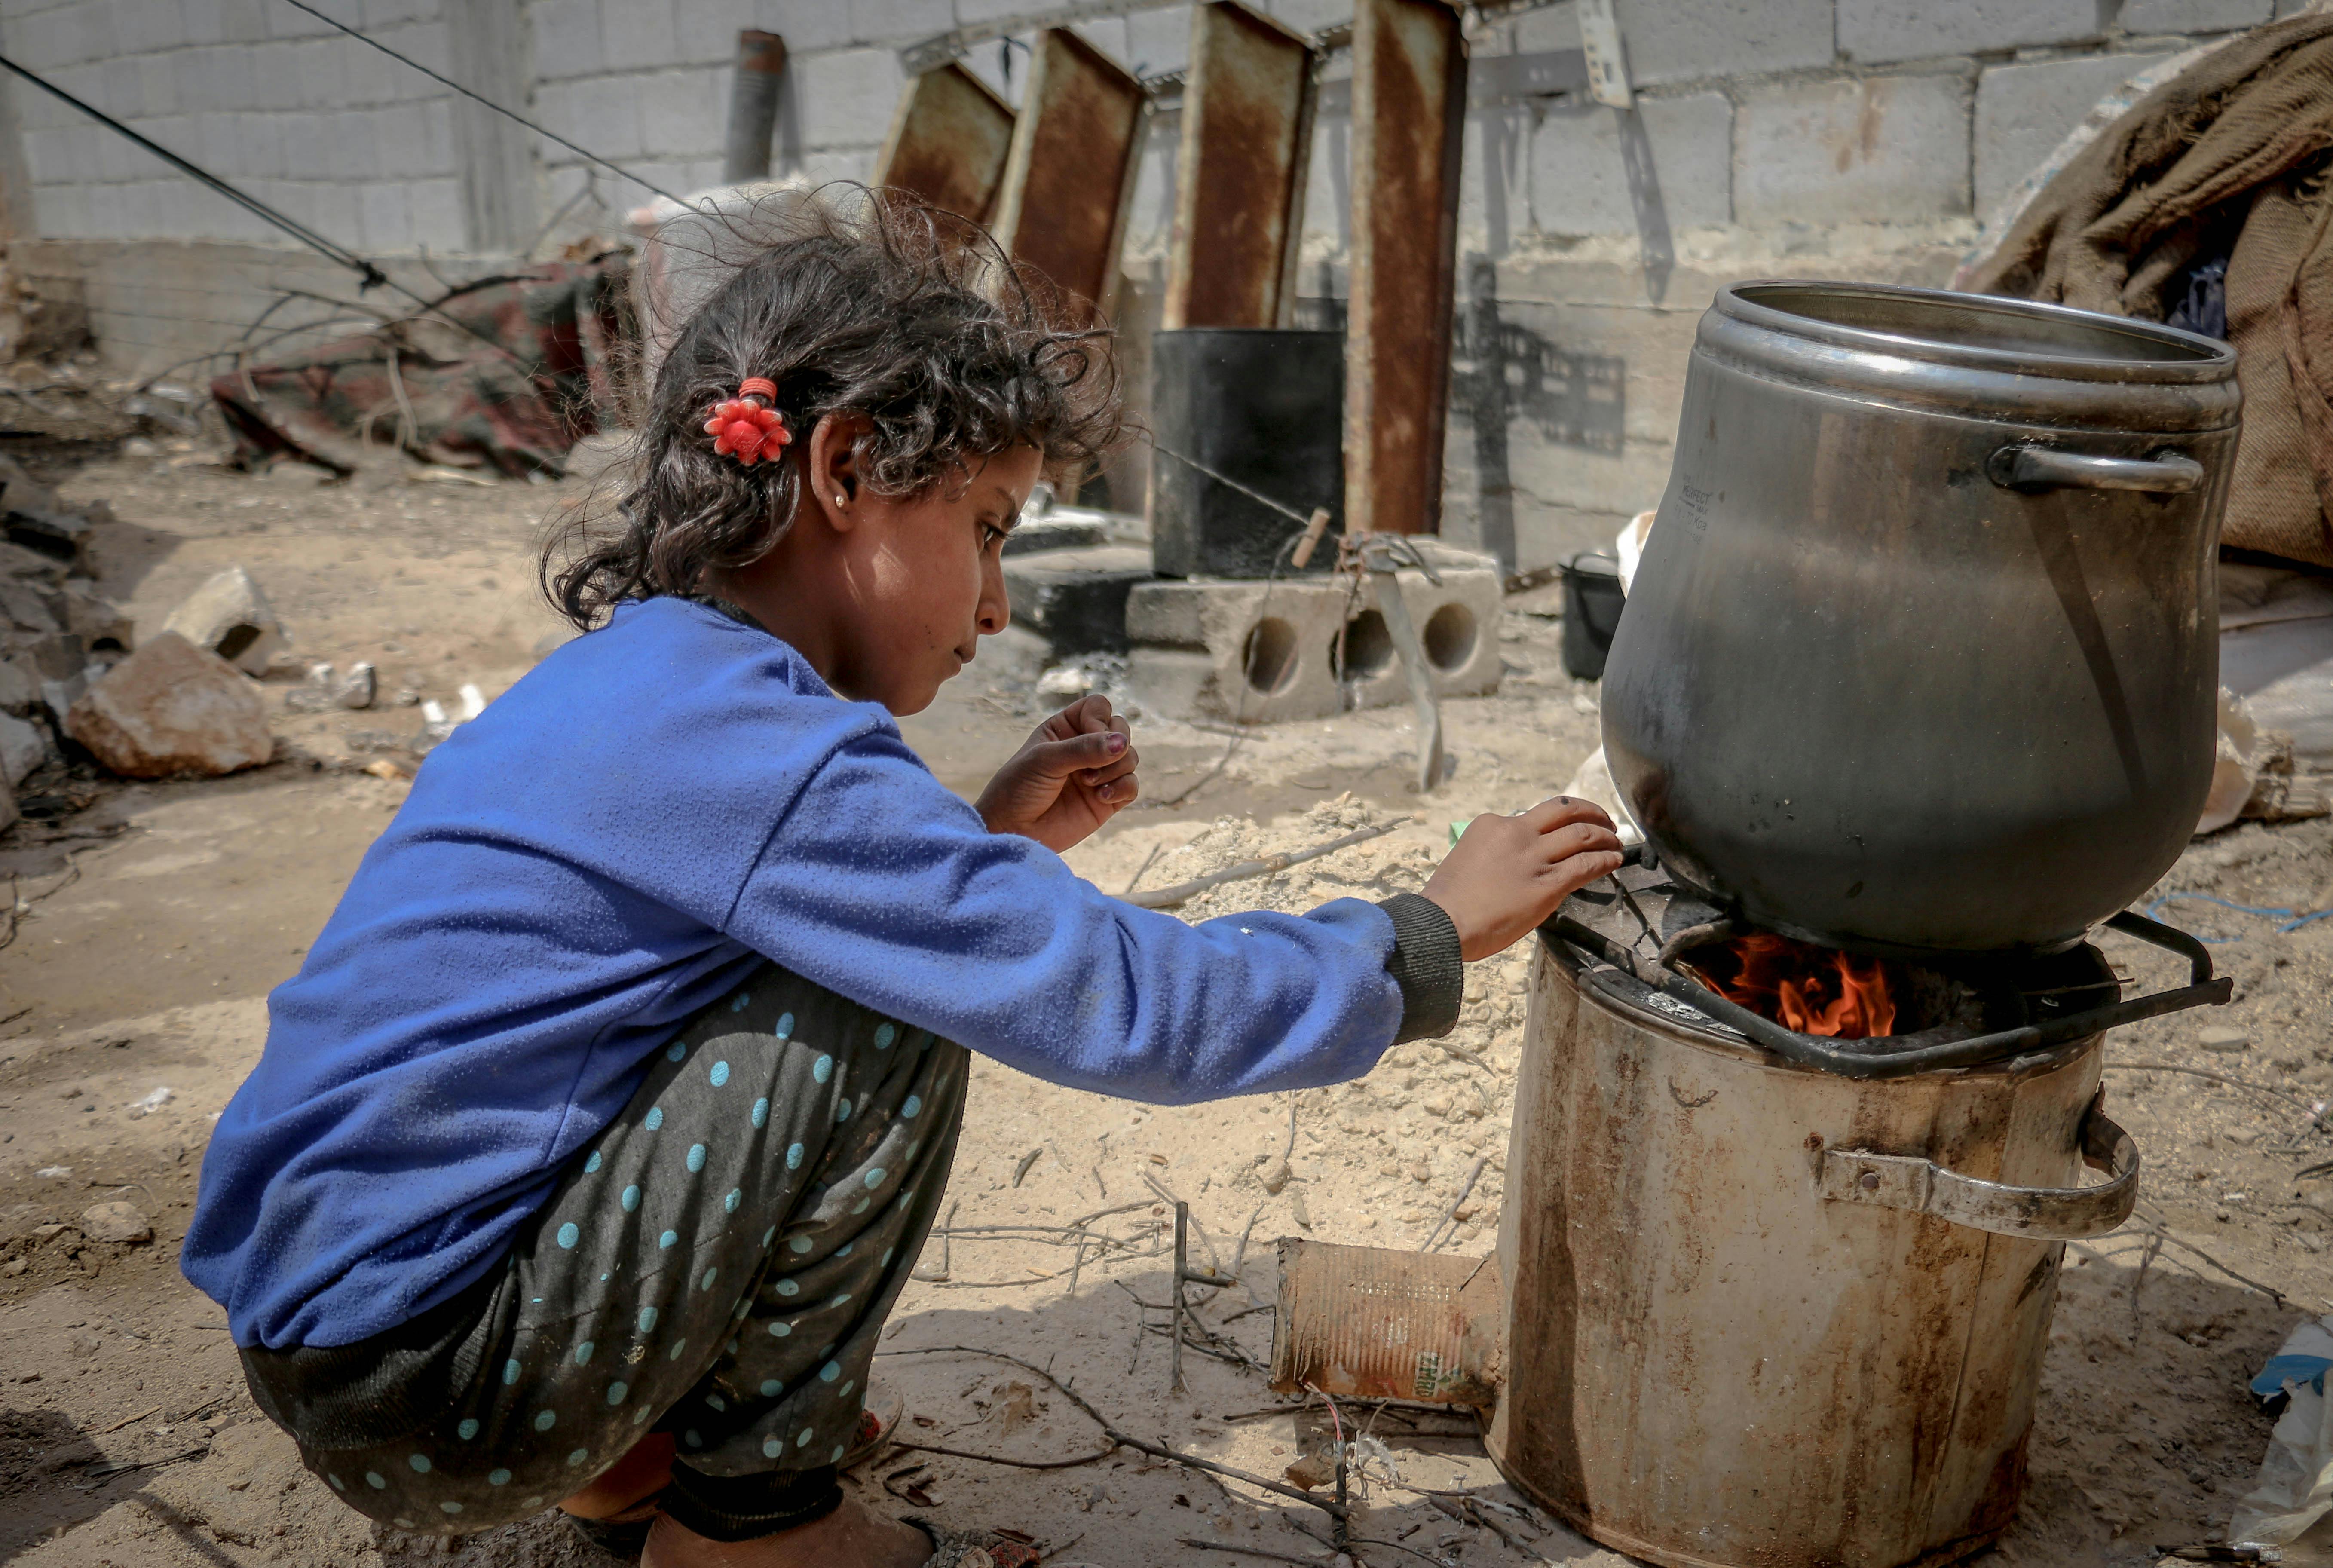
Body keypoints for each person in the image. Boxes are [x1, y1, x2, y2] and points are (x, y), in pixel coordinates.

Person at [180, 192, 1623, 1568]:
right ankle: (755, 1528)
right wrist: (1421, 934)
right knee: (879, 1013)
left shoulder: (659, 682)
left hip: (351, 1334)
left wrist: (984, 848)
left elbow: (684, 956)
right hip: (434, 1384)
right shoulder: (770, 757)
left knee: (865, 961)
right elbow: (1125, 1005)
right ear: (844, 470)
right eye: (989, 529)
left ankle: (630, 1455)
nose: (998, 606)